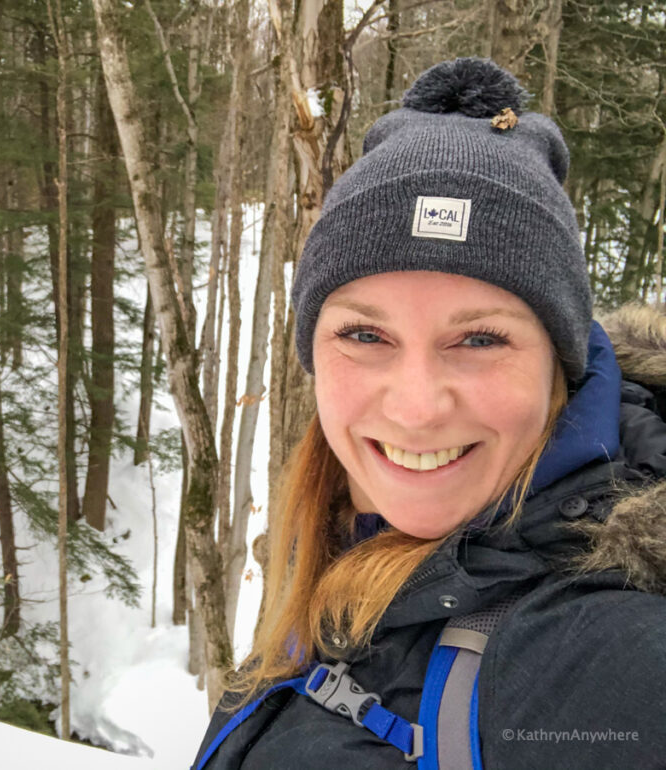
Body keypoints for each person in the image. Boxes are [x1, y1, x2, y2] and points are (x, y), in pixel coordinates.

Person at [192, 58, 666, 769]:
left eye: (479, 338)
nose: (416, 408)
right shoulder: (339, 558)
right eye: (364, 334)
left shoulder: (606, 660)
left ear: (559, 366)